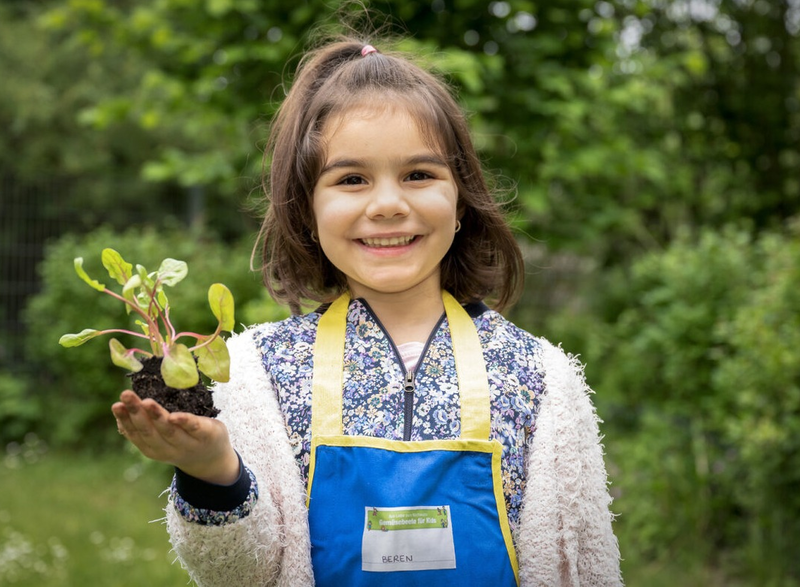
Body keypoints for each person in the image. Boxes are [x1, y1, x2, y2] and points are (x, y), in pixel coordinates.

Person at [111, 35, 623, 587]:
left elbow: (580, 567)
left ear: (460, 201)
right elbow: (240, 574)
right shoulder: (257, 373)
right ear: (307, 211)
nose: (387, 205)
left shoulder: (540, 376)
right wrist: (211, 471)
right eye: (351, 180)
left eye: (418, 175)